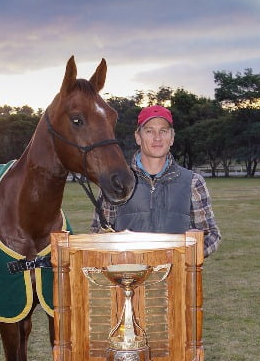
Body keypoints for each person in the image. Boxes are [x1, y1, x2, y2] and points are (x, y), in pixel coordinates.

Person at [91, 105, 221, 257]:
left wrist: (191, 250)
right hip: (129, 278)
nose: (157, 137)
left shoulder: (193, 182)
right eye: (149, 131)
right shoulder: (116, 182)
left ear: (171, 138)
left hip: (177, 277)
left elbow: (212, 235)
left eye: (163, 131)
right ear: (138, 137)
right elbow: (98, 234)